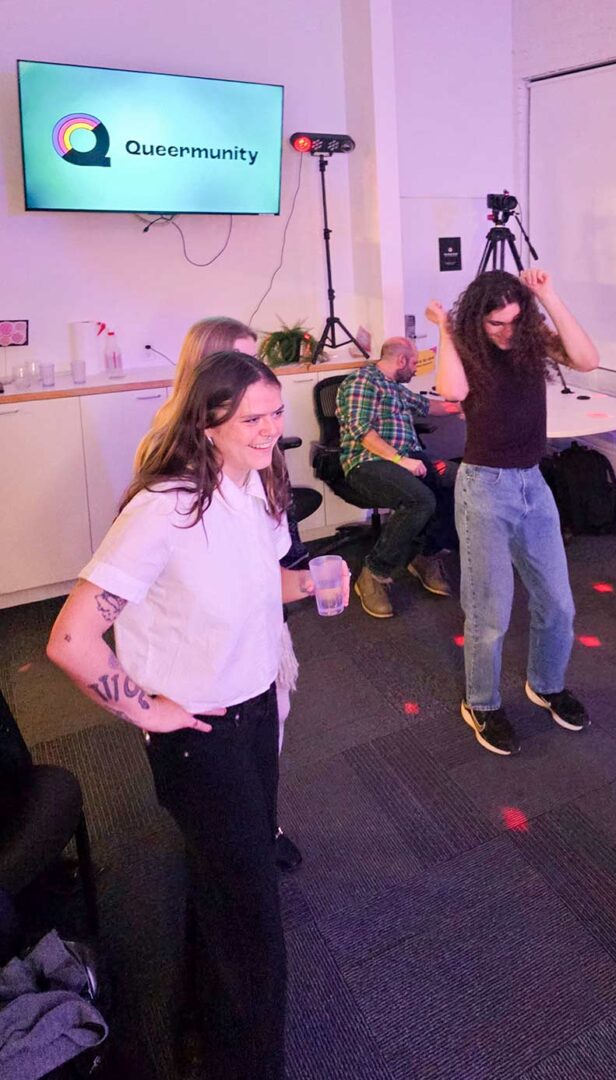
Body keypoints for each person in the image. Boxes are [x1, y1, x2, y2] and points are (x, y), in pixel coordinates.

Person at [47, 351, 350, 1078]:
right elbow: (70, 640)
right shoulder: (166, 509)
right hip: (198, 738)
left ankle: (197, 1020)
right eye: (253, 418)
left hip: (252, 713)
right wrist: (148, 711)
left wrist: (311, 581)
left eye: (278, 413)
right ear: (206, 420)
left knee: (228, 886)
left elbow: (258, 584)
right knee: (252, 918)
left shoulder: (254, 487)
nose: (272, 430)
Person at [138, 316, 303, 871]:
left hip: (252, 623)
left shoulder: (254, 463)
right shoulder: (172, 486)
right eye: (238, 367)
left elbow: (264, 556)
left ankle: (261, 826)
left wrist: (297, 583)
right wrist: (146, 704)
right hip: (204, 651)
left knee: (267, 728)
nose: (257, 379)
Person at [426, 269, 599, 755]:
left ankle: (545, 684)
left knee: (558, 603)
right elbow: (453, 392)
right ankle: (480, 701)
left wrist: (548, 294)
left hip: (533, 484)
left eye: (513, 321)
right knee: (490, 612)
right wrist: (444, 330)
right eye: (495, 323)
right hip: (484, 487)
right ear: (477, 320)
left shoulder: (533, 341)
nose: (505, 331)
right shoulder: (467, 346)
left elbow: (587, 359)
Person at [336, 336, 462, 618]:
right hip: (369, 462)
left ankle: (424, 555)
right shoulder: (362, 381)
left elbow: (428, 406)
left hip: (408, 458)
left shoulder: (395, 387)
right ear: (402, 360)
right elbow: (361, 432)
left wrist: (463, 407)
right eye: (415, 362)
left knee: (458, 481)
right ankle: (374, 572)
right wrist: (400, 460)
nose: (416, 369)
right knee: (420, 501)